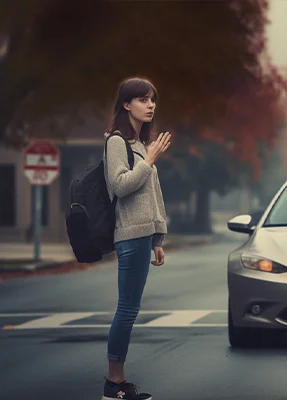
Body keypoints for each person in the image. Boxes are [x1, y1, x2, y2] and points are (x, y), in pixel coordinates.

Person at [101, 77, 172, 400]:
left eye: (152, 100)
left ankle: (117, 382)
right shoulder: (116, 142)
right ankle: (114, 384)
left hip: (144, 236)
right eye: (143, 99)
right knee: (127, 309)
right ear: (126, 104)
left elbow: (152, 194)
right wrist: (149, 161)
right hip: (129, 235)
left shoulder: (141, 143)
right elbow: (120, 185)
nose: (150, 105)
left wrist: (158, 238)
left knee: (130, 307)